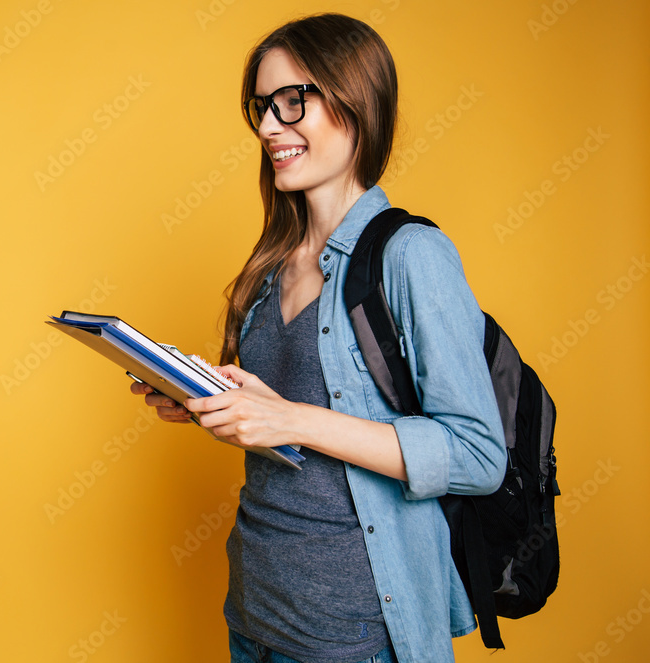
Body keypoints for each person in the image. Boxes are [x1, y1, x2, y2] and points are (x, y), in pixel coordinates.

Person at [130, 13, 507, 663]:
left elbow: (478, 454)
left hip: (351, 633)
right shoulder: (273, 262)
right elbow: (281, 415)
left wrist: (289, 418)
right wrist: (207, 398)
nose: (270, 126)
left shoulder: (412, 255)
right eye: (262, 108)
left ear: (355, 98)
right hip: (254, 611)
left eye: (291, 102)